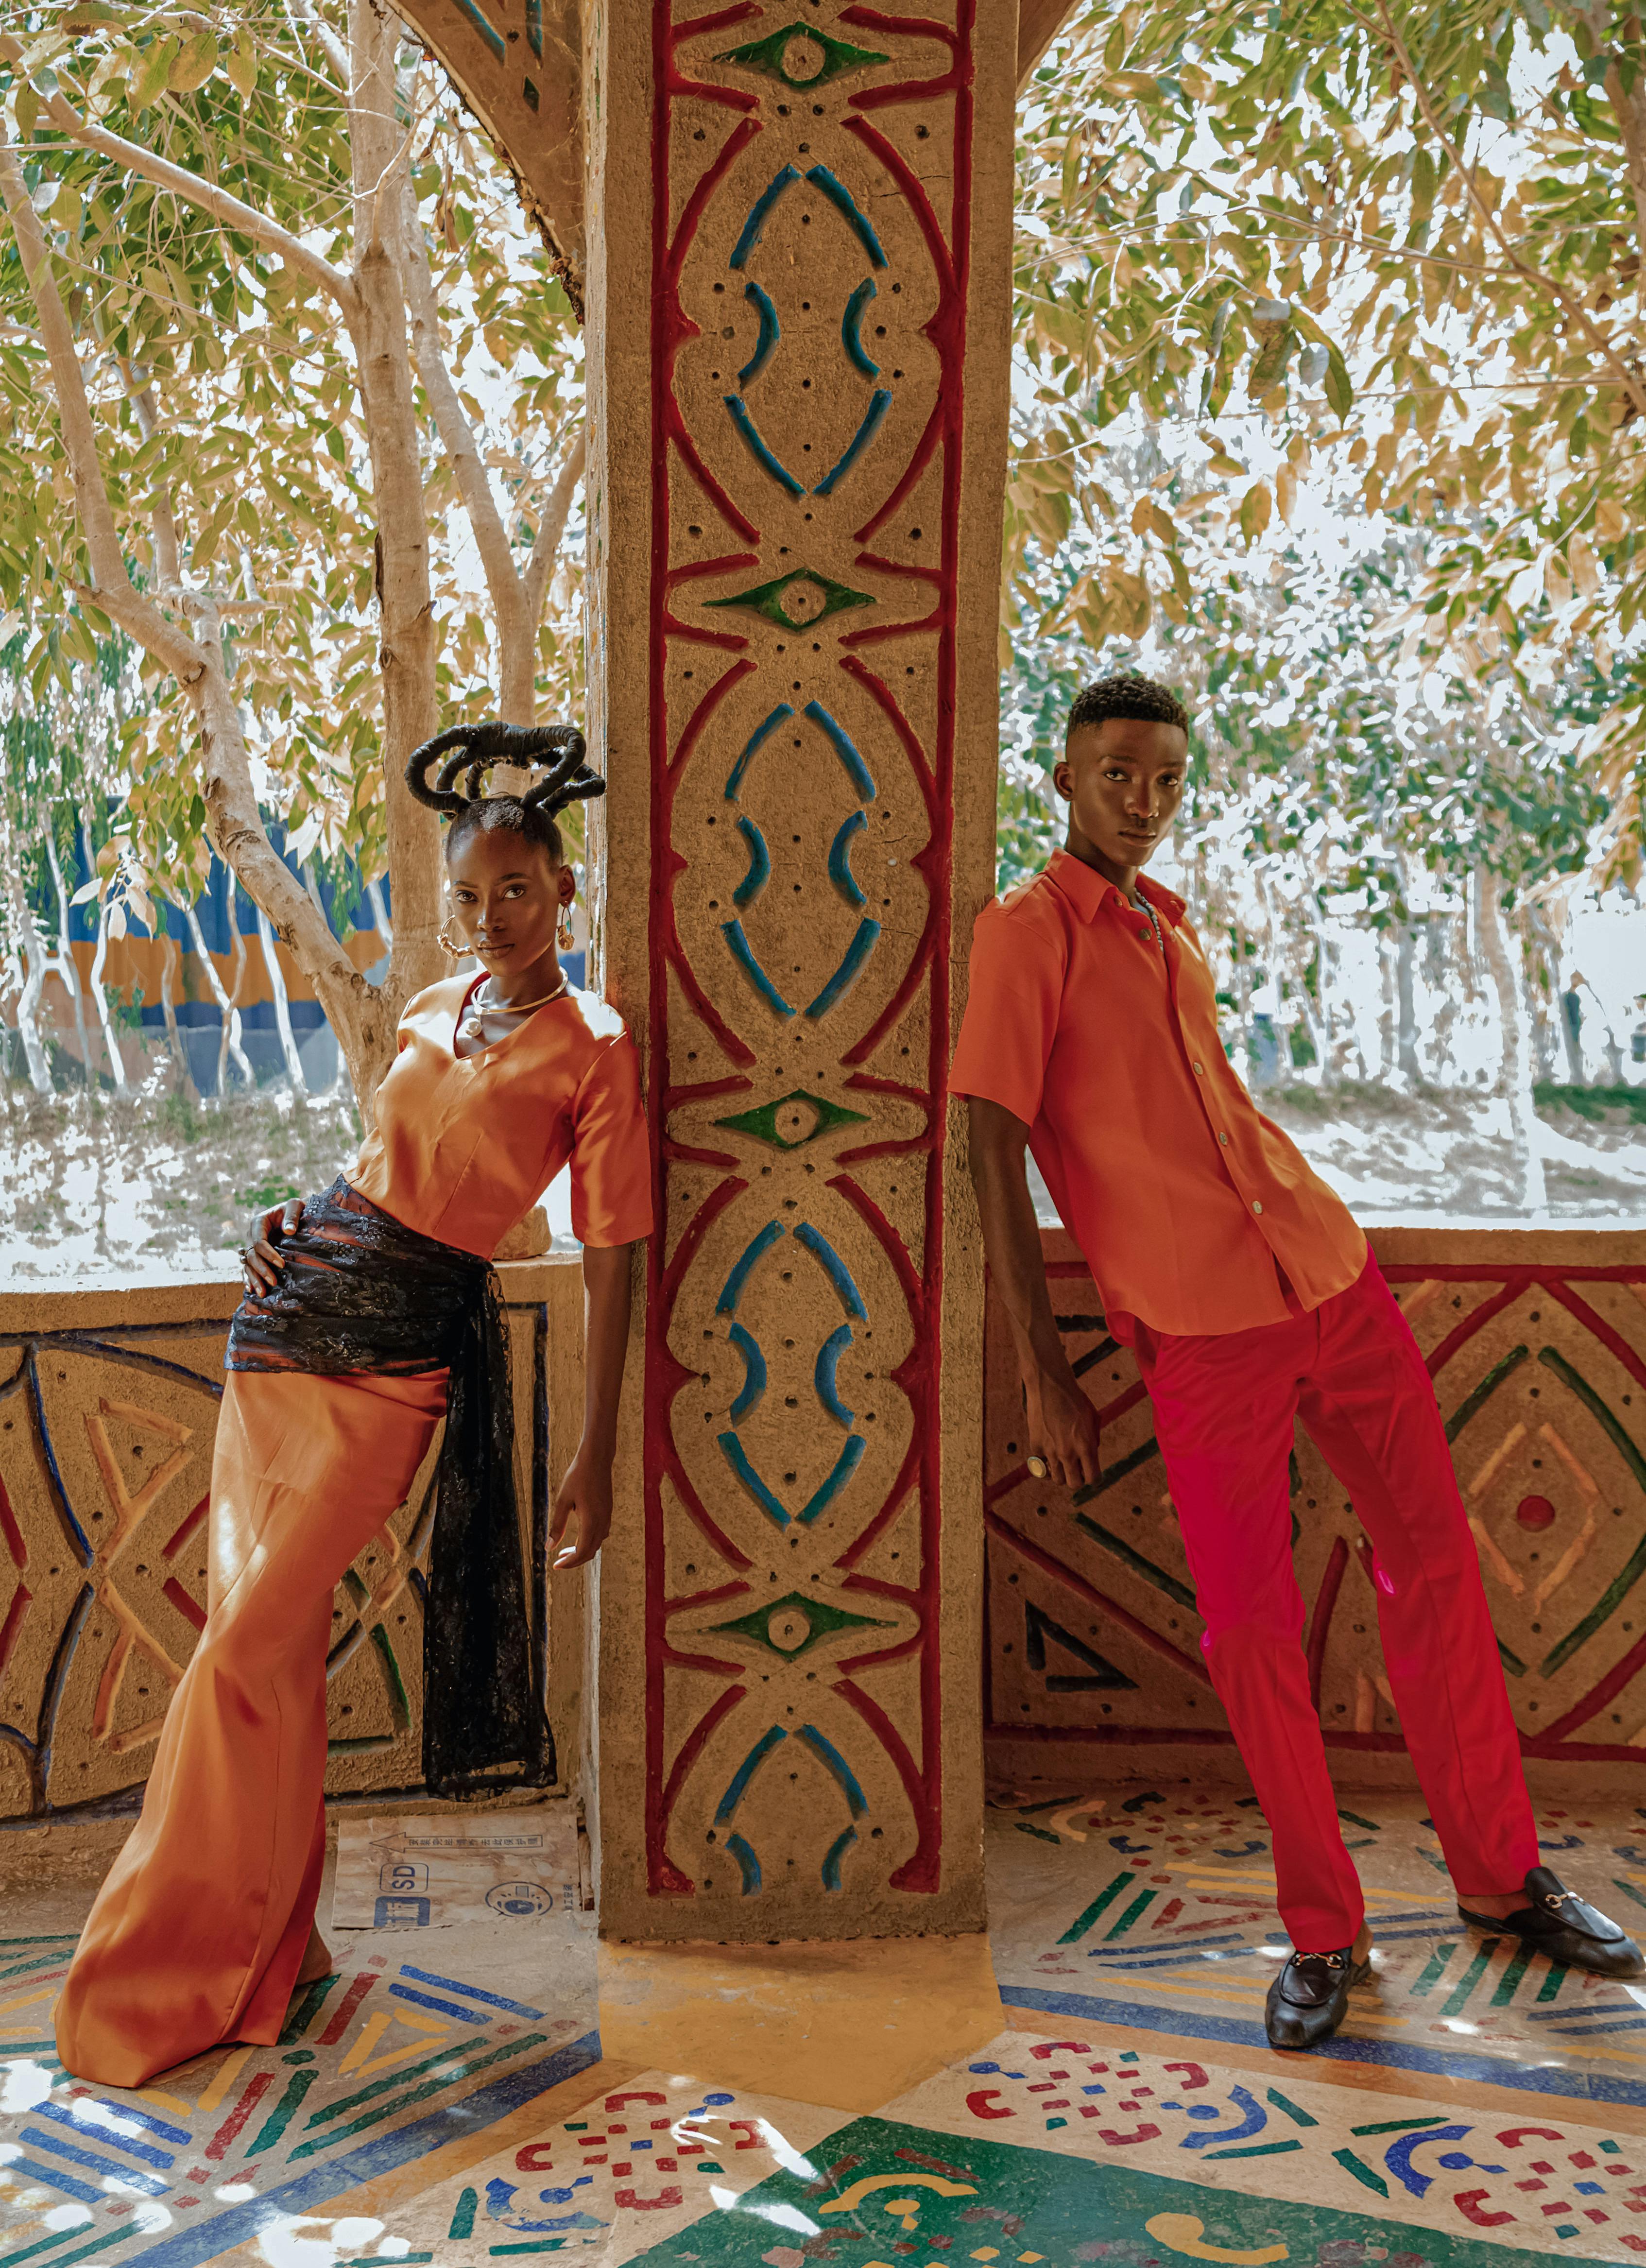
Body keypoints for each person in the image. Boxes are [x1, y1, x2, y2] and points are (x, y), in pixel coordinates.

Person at [952, 671, 1642, 2052]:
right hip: (1200, 1328)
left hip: (1327, 1275)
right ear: (1065, 779)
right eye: (1115, 775)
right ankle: (1323, 1929)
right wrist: (1040, 1368)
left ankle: (1500, 1877)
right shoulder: (1026, 933)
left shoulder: (1167, 925)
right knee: (1254, 1630)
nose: (1143, 802)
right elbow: (987, 1138)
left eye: (1164, 778)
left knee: (1435, 1565)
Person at [56, 721, 652, 2088]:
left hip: (395, 1366)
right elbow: (382, 1159)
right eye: (470, 895)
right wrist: (285, 1215)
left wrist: (598, 1449)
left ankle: (165, 1972)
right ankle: (270, 1949)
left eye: (518, 890)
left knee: (244, 1653)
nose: (492, 917)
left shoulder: (597, 1047)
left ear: (564, 892)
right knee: (261, 1654)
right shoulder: (436, 1004)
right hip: (286, 1324)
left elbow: (612, 1253)